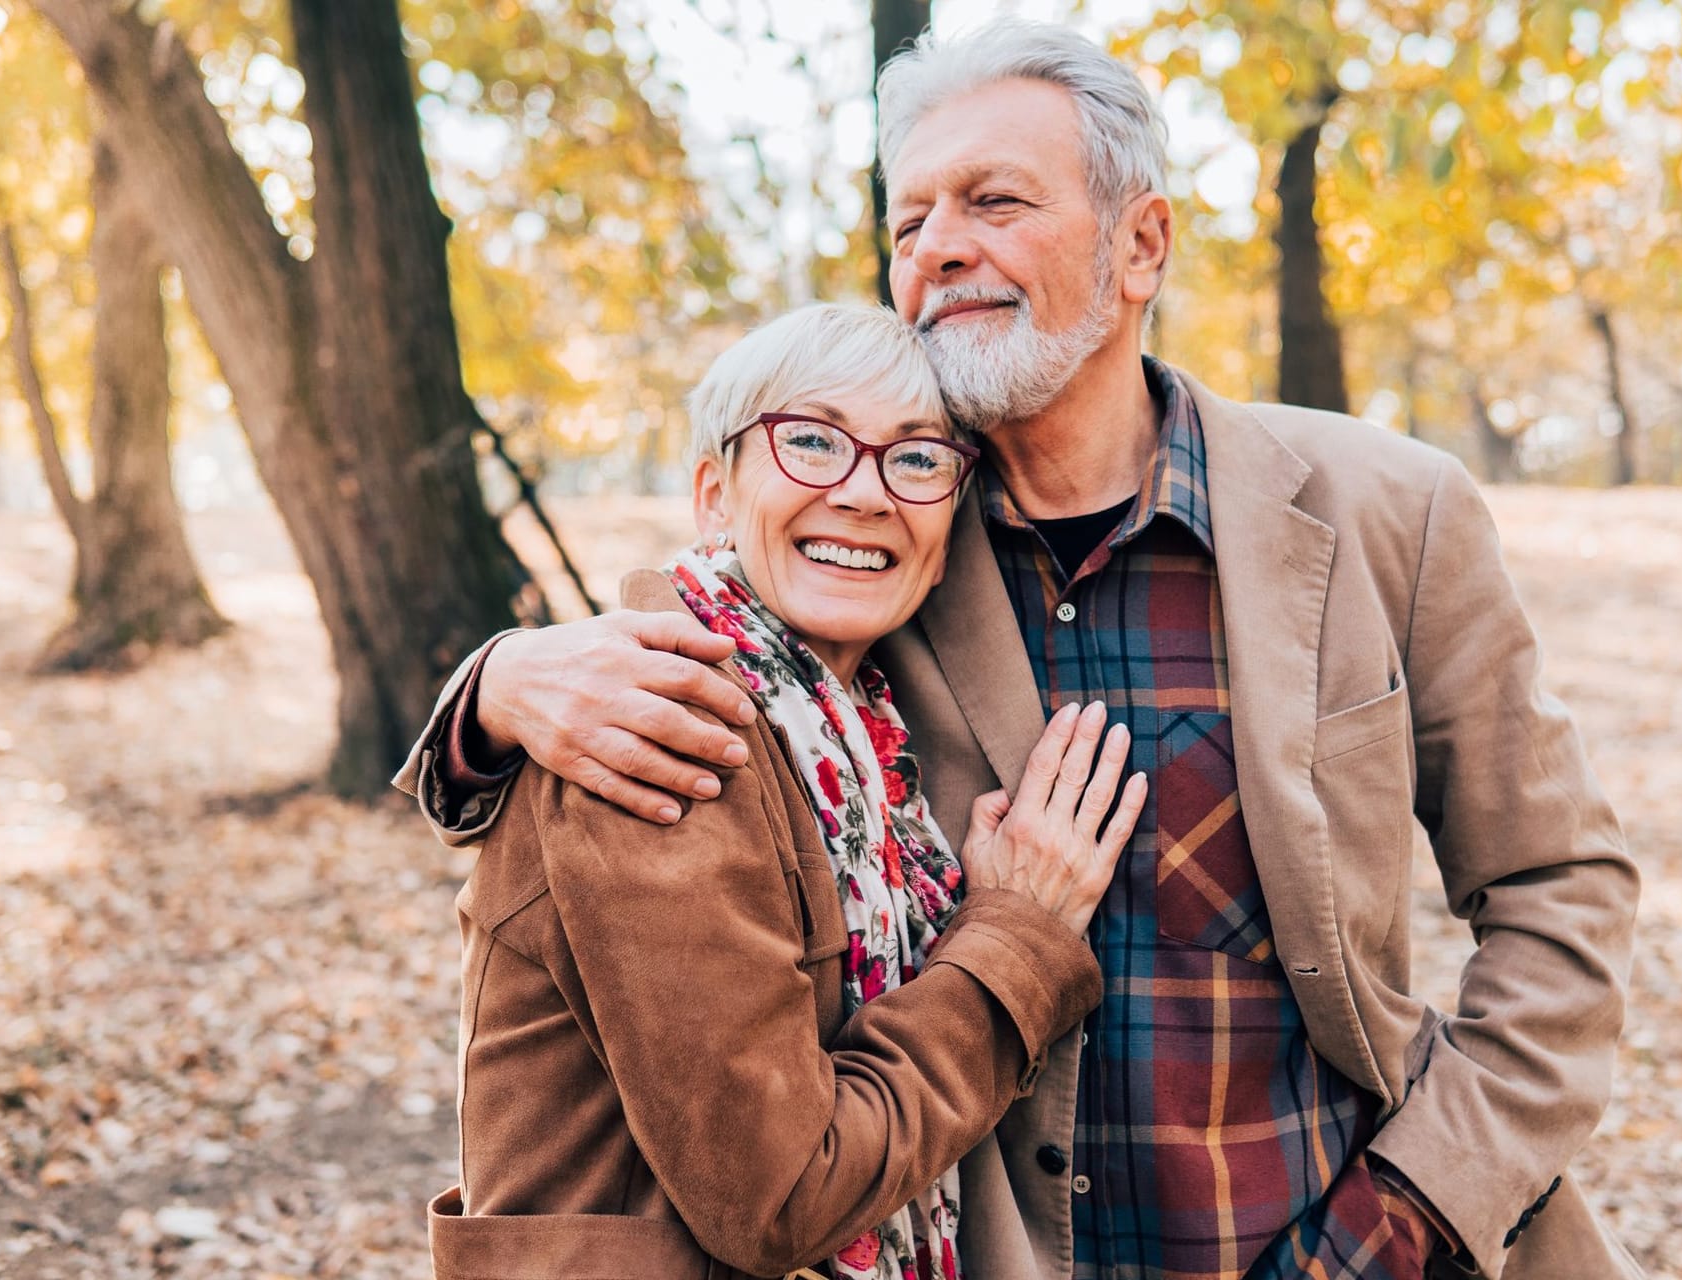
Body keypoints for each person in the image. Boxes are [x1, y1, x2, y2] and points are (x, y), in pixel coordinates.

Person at [398, 20, 1641, 1280]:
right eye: (909, 222)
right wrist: (493, 685)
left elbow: (1561, 887)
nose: (940, 246)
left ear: (1140, 242)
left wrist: (1413, 1210)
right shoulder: (878, 549)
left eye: (995, 199)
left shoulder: (1391, 512)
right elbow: (693, 646)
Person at [420, 302, 1150, 1280]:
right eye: (811, 441)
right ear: (714, 494)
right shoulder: (661, 728)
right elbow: (783, 1195)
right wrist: (1017, 937)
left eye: (918, 459)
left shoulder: (864, 736)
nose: (863, 492)